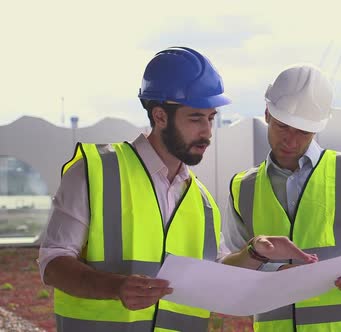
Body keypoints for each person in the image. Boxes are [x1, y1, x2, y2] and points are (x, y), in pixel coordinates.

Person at [38, 47, 317, 332]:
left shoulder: (202, 200)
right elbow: (52, 263)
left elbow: (217, 271)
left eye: (210, 118)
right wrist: (115, 286)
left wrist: (255, 252)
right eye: (196, 118)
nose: (207, 132)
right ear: (160, 116)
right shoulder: (94, 172)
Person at [223, 64, 341, 331]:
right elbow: (233, 267)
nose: (291, 140)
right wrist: (274, 274)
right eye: (283, 127)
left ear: (317, 127)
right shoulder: (243, 187)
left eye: (303, 131)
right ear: (268, 114)